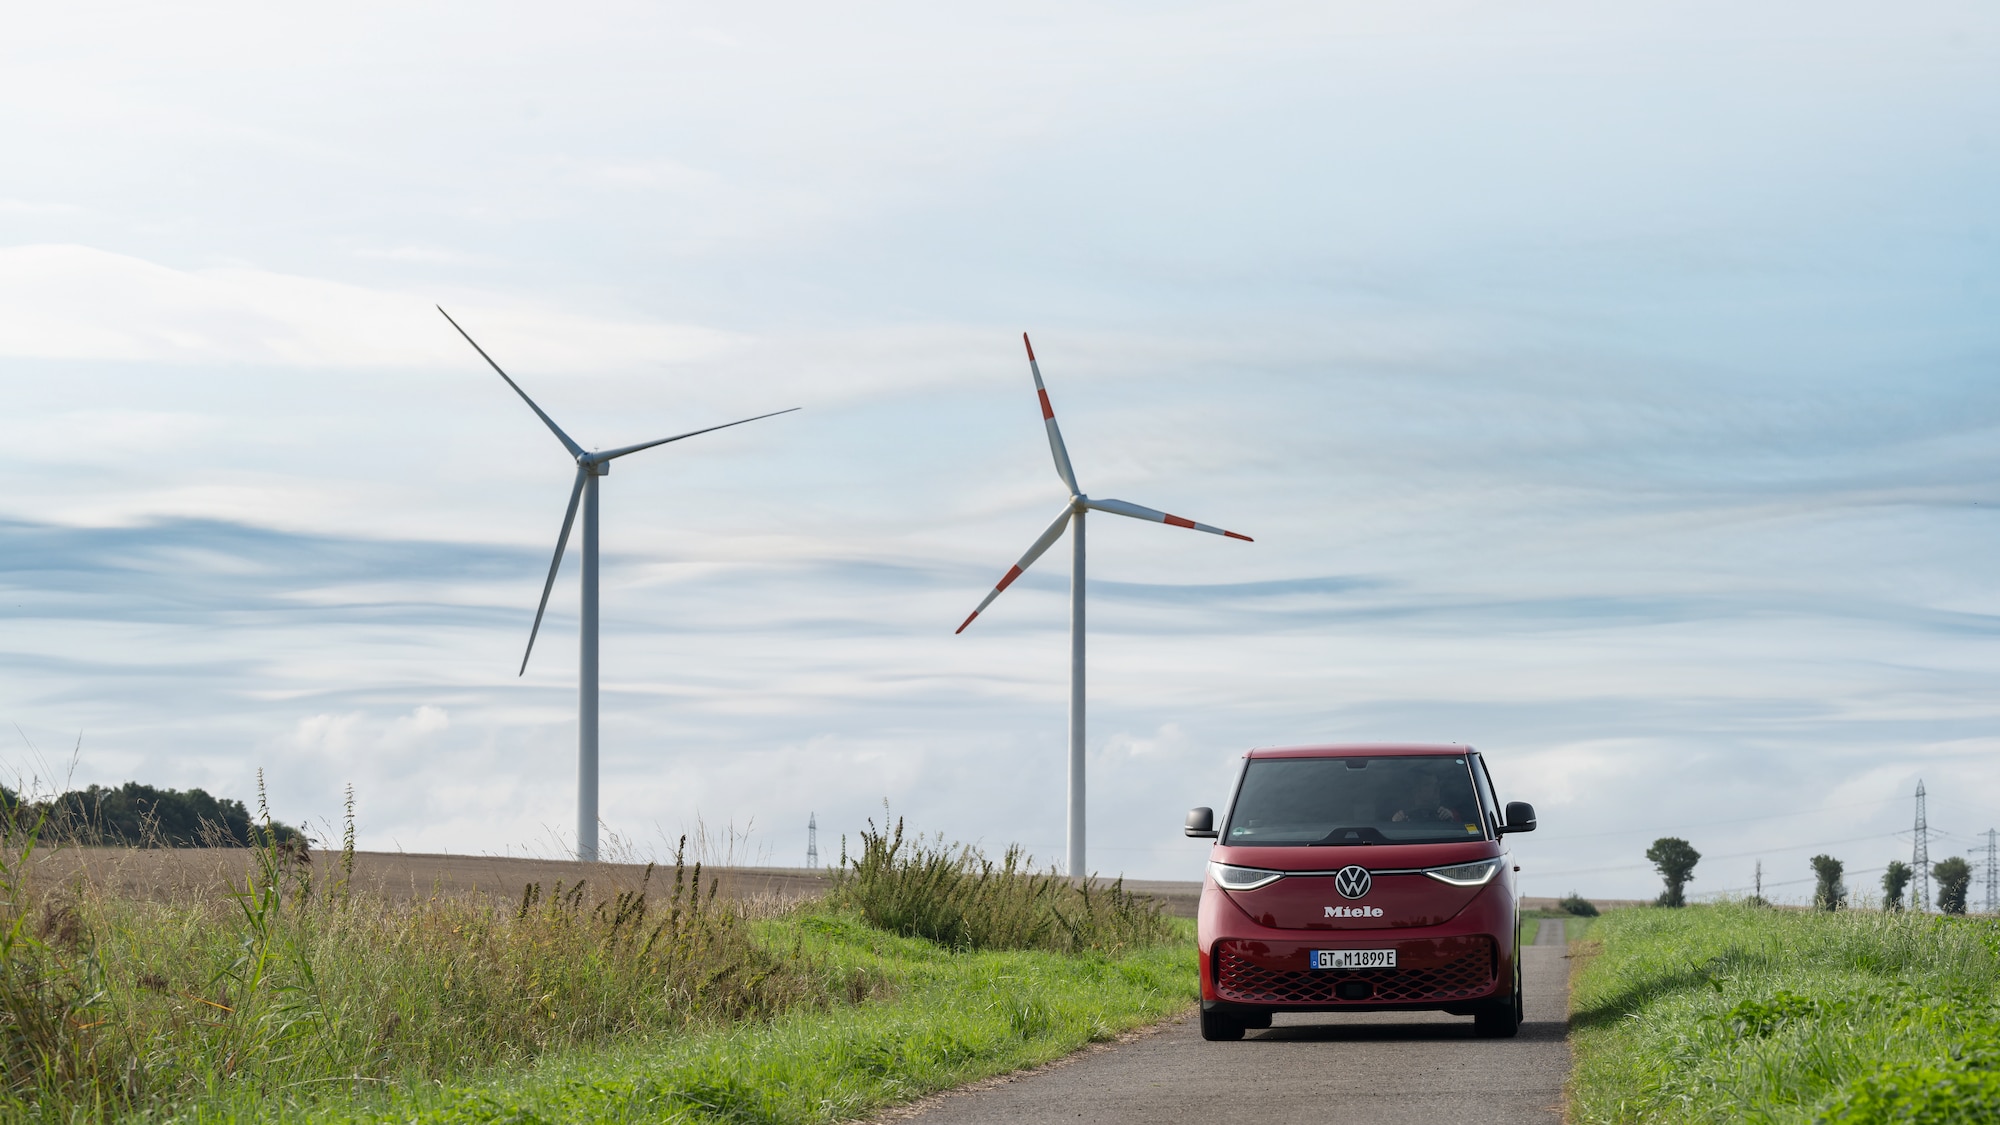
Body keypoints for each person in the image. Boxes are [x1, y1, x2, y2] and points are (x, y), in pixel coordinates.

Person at [1390, 771, 1460, 823]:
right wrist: (1396, 823)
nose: (1435, 788)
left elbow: (1464, 830)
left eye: (1436, 784)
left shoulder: (1449, 813)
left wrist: (1451, 819)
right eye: (1428, 785)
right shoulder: (1402, 815)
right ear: (1416, 791)